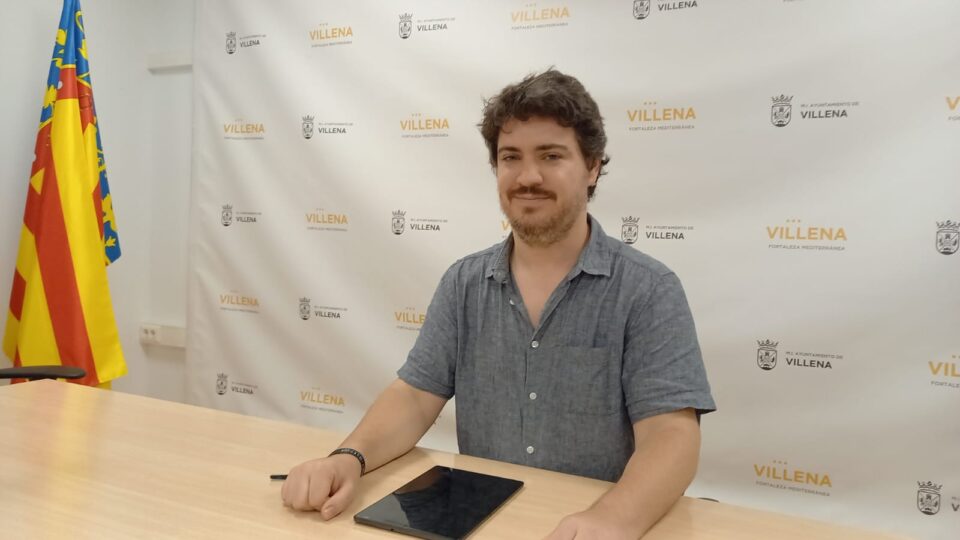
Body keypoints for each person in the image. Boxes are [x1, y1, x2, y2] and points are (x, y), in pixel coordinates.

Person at [281, 69, 716, 539]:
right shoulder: (463, 283)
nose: (528, 177)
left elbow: (671, 435)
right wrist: (349, 458)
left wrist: (613, 519)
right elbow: (414, 397)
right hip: (481, 523)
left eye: (551, 156)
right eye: (511, 157)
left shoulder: (648, 289)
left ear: (592, 167)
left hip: (591, 523)